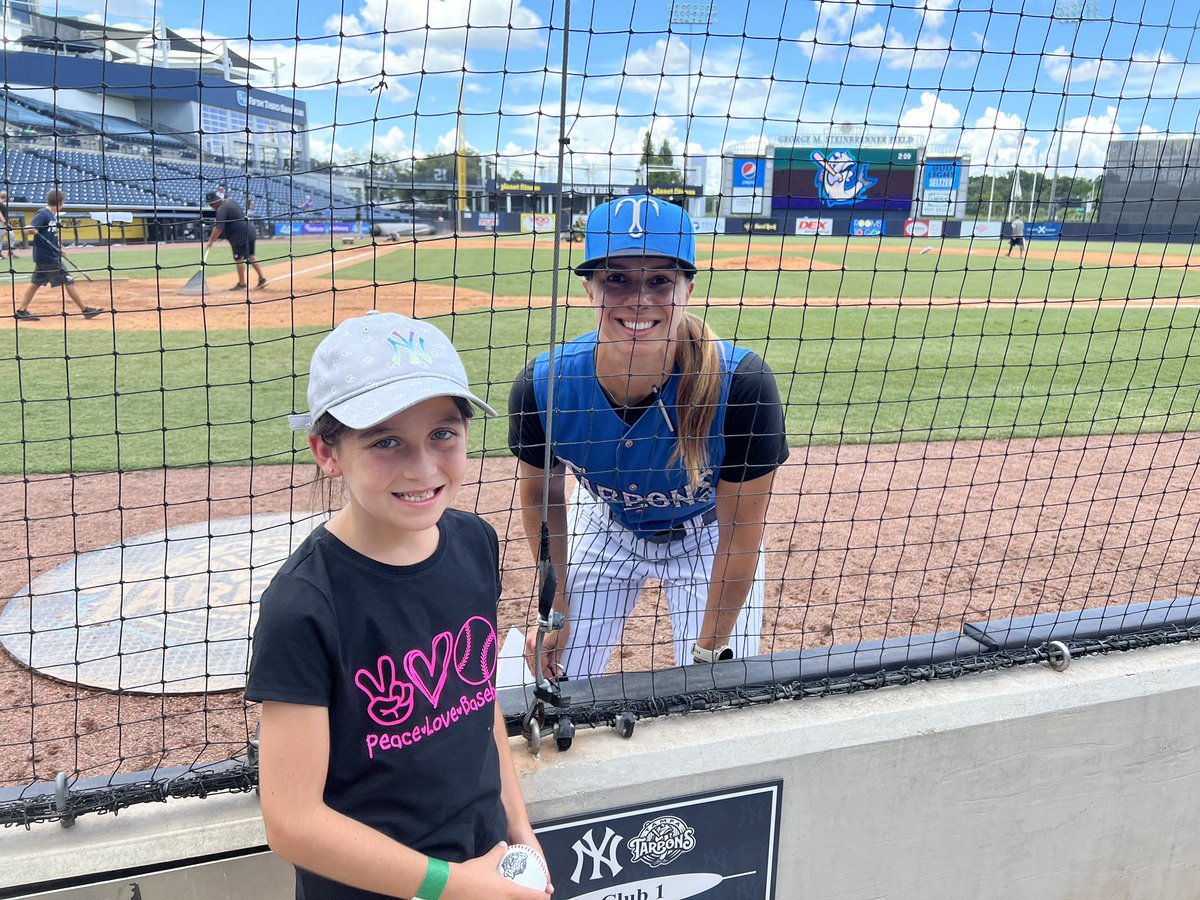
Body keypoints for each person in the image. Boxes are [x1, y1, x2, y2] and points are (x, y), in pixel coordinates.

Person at [246, 311, 552, 900]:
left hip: (486, 863)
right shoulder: (304, 606)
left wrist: (520, 832)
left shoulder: (473, 544)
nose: (423, 467)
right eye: (386, 441)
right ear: (326, 452)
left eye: (444, 433)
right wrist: (453, 885)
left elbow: (477, 703)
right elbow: (292, 823)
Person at [509, 198, 790, 679]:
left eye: (660, 280)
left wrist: (710, 652)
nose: (639, 299)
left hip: (707, 537)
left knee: (716, 694)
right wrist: (552, 605)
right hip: (604, 527)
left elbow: (741, 535)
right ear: (589, 288)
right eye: (616, 278)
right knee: (552, 676)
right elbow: (542, 493)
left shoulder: (742, 385)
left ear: (688, 289)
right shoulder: (544, 384)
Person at [15, 189, 103, 322]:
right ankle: (85, 310)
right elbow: (27, 229)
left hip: (48, 255)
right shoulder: (43, 214)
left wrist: (59, 248)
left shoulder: (51, 215)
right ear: (61, 203)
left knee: (35, 283)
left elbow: (51, 236)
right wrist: (30, 229)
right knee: (68, 281)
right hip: (48, 257)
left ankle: (21, 311)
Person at [204, 190, 269, 290]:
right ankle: (262, 279)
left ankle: (242, 284)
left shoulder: (221, 209)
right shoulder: (231, 202)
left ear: (215, 202)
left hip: (239, 236)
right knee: (251, 256)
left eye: (211, 204)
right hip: (250, 231)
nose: (211, 207)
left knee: (239, 259)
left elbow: (218, 228)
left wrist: (211, 241)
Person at [0, 190, 16, 260]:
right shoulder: (0, 203)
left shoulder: (3, 204)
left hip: (5, 224)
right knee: (0, 239)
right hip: (1, 224)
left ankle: (10, 252)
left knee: (11, 236)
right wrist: (4, 222)